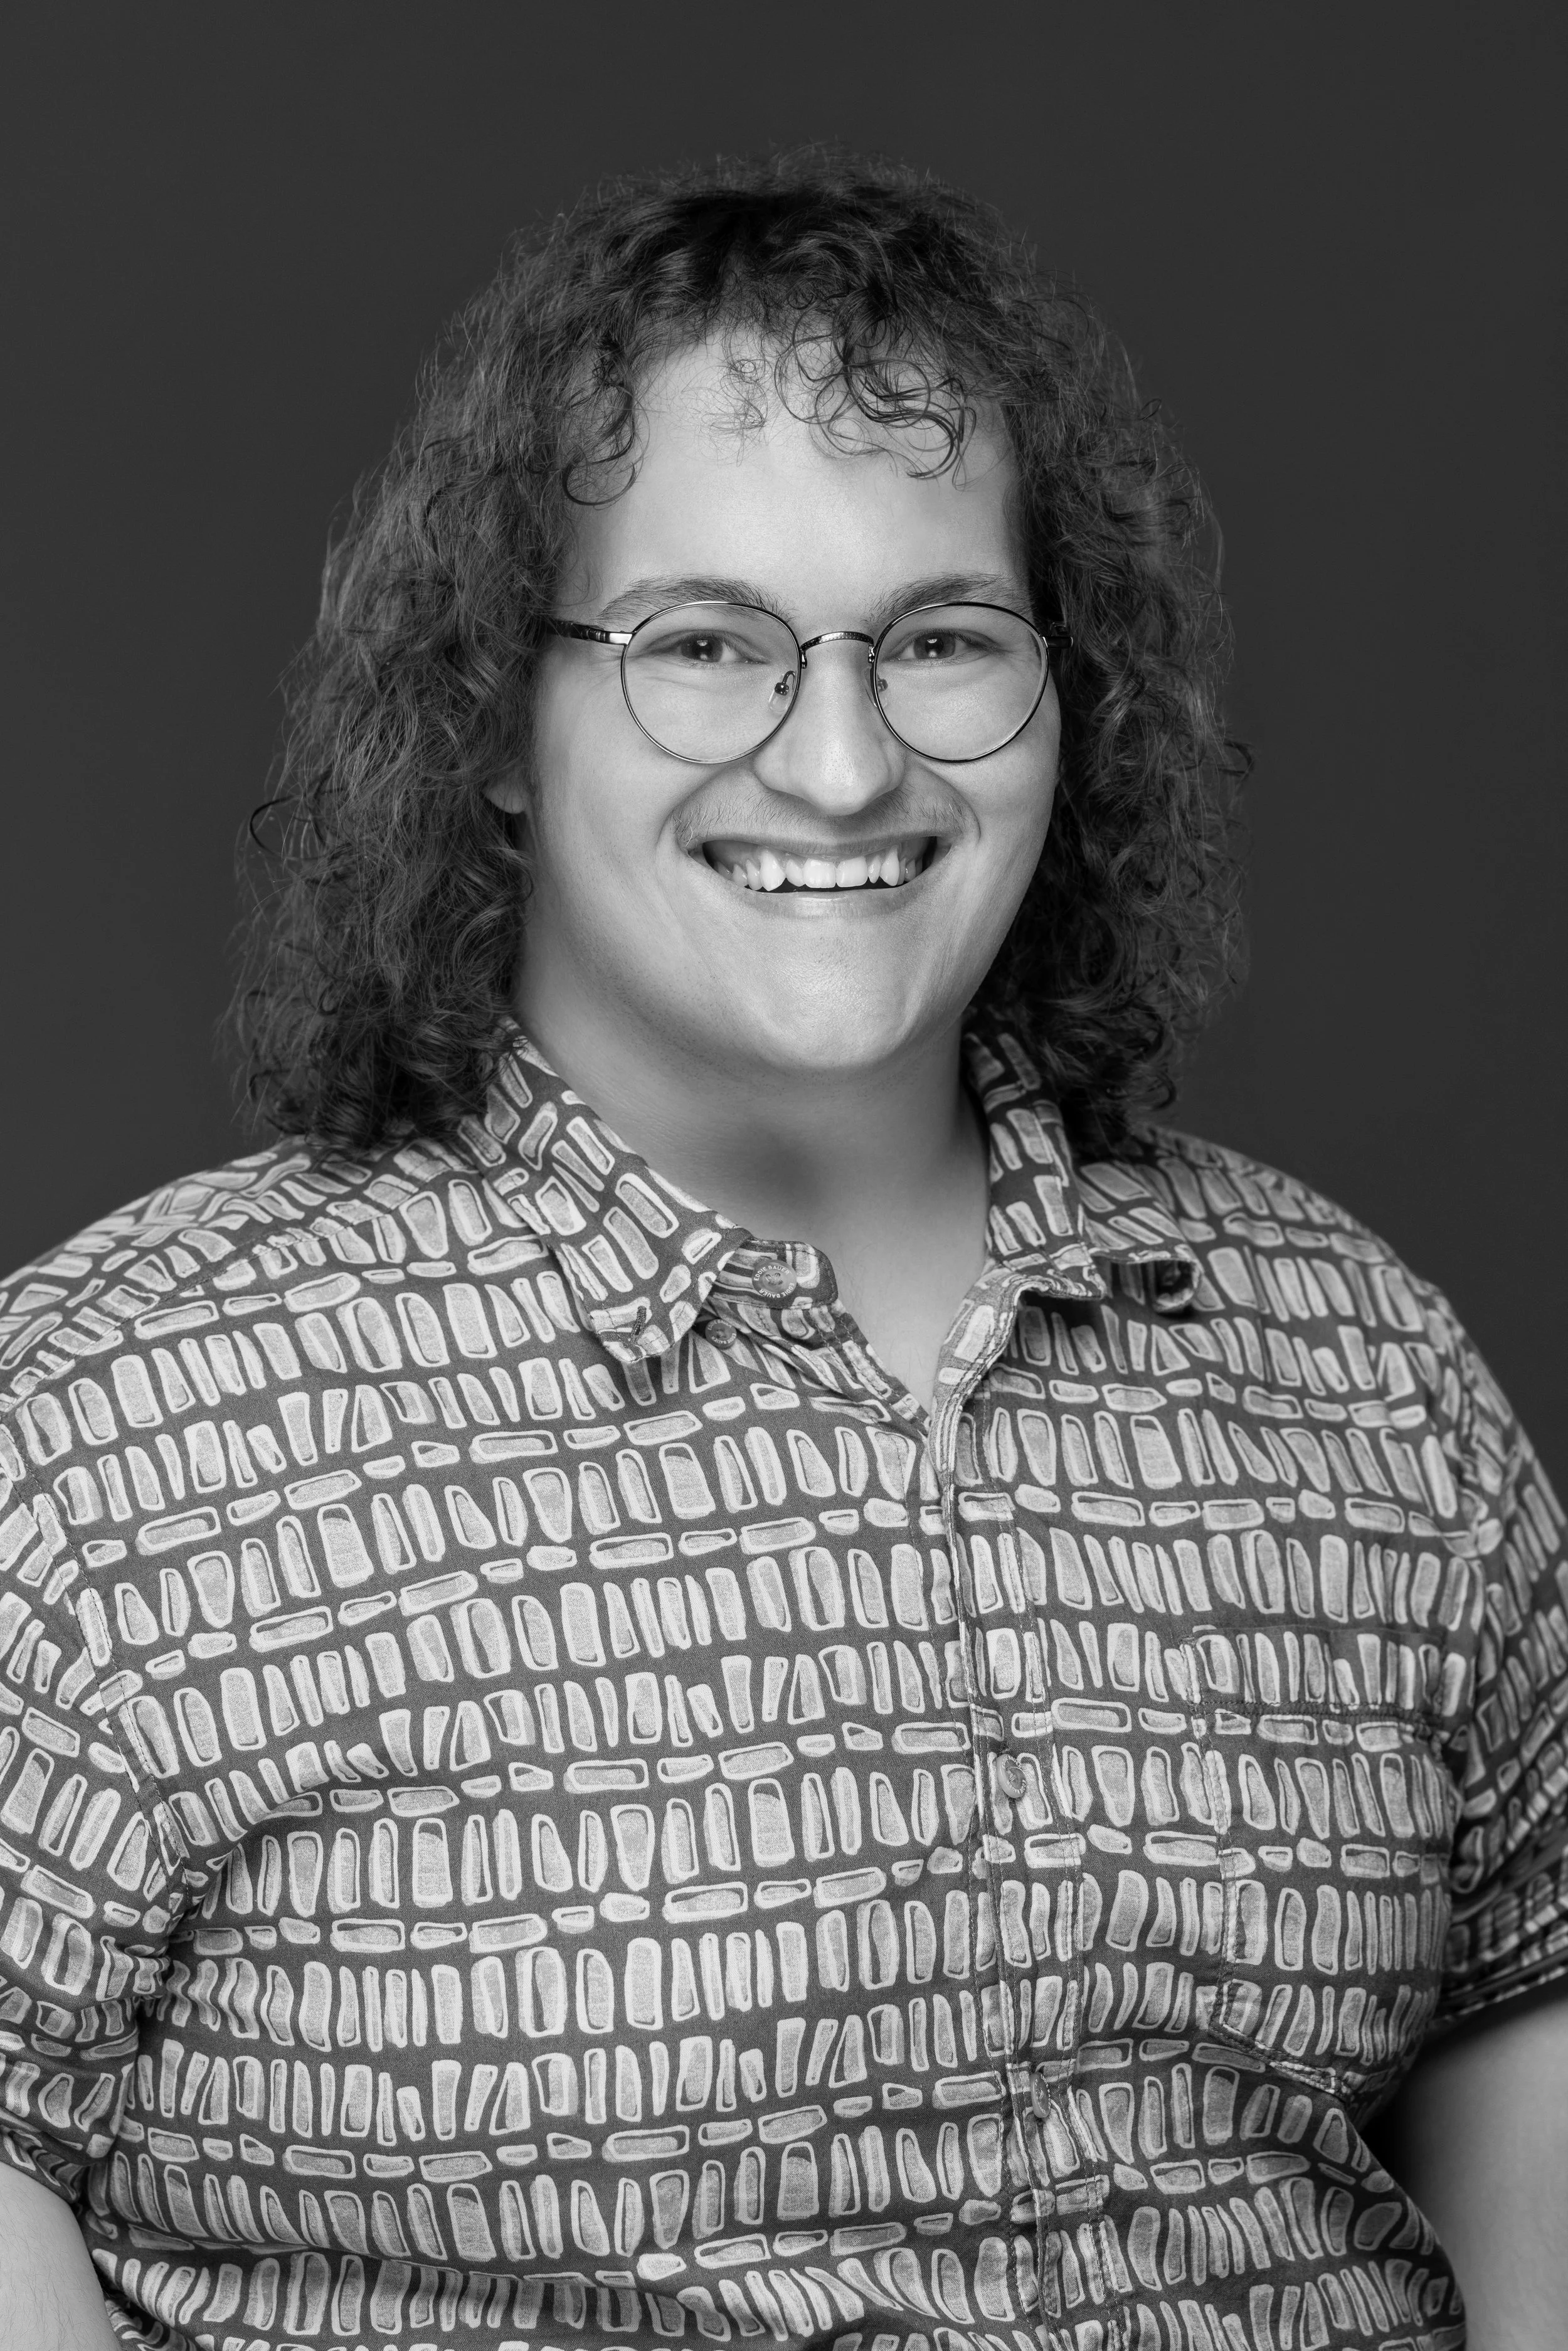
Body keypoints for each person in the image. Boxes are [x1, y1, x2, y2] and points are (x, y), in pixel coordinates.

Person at [0, 151, 1562, 2351]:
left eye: (938, 640)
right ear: (496, 725)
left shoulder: (1352, 1364)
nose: (837, 763)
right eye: (702, 646)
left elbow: (1531, 2026)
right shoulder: (117, 1423)